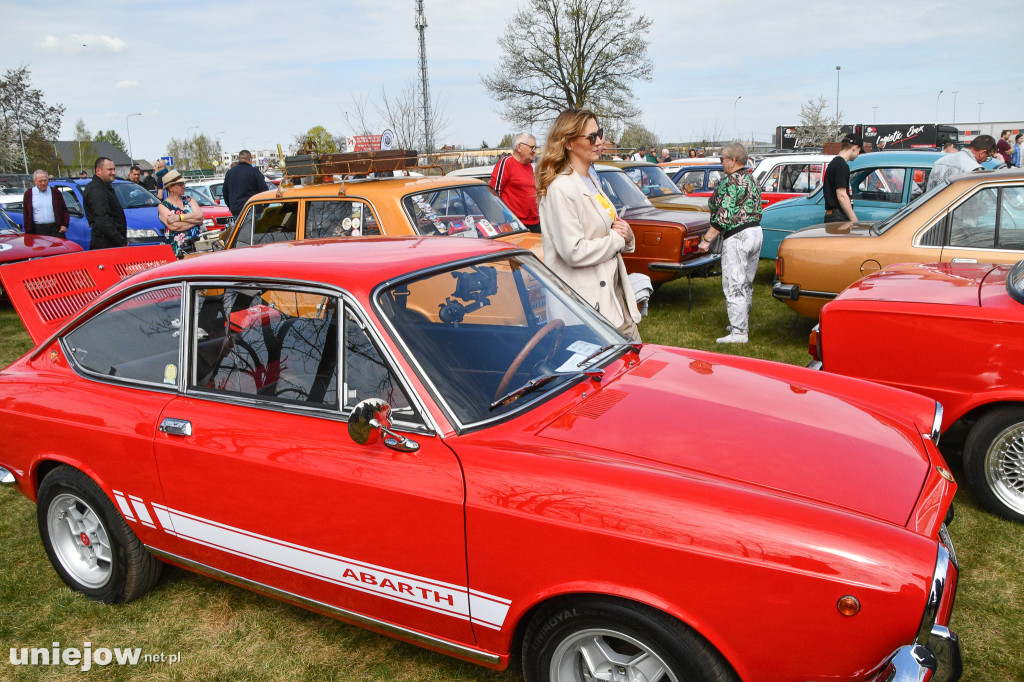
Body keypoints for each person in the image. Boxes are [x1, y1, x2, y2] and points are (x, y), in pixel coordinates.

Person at [537, 108, 641, 342]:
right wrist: (617, 239)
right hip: (588, 309)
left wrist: (626, 235)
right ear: (569, 143)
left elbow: (608, 229)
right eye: (591, 137)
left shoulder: (591, 179)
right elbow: (573, 251)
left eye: (599, 133)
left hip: (613, 298)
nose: (599, 142)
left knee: (635, 357)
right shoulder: (562, 188)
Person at [697, 142, 763, 344]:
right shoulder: (751, 178)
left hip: (738, 235)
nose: (721, 162)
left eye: (722, 159)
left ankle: (739, 332)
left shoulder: (731, 181)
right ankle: (742, 322)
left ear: (733, 160)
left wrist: (707, 240)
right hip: (755, 232)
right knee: (746, 281)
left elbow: (723, 216)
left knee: (733, 283)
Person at [489, 133, 540, 233]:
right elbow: (493, 194)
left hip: (534, 222)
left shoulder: (529, 166)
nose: (535, 151)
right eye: (532, 148)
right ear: (519, 147)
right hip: (515, 225)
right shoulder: (507, 163)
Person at [157, 169, 206, 257]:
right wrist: (196, 222)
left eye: (183, 183)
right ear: (170, 188)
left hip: (197, 245)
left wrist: (179, 218)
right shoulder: (163, 206)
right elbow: (174, 226)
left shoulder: (189, 200)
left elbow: (200, 216)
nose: (183, 186)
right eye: (180, 184)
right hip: (177, 249)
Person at [82, 157, 128, 249]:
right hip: (105, 243)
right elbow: (102, 219)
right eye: (109, 169)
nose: (113, 173)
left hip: (111, 242)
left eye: (114, 169)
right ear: (98, 170)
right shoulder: (96, 190)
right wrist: (120, 240)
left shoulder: (104, 187)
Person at [925, 135, 998, 191]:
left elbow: (929, 194)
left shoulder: (939, 162)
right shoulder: (974, 169)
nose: (985, 161)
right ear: (982, 153)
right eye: (987, 157)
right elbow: (974, 202)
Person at [822, 133, 864, 223]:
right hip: (838, 216)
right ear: (855, 148)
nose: (858, 154)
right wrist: (854, 220)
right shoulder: (841, 165)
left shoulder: (835, 163)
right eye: (859, 151)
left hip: (834, 215)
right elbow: (841, 195)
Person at [22, 170, 69, 238]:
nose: (43, 183)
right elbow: (26, 214)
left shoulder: (56, 193)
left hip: (55, 230)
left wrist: (65, 225)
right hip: (37, 230)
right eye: (40, 181)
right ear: (34, 181)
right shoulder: (29, 194)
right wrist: (28, 231)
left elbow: (64, 210)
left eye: (45, 180)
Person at [223, 149, 269, 217]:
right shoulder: (254, 172)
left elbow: (225, 193)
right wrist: (264, 206)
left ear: (239, 159)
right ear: (250, 159)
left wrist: (231, 207)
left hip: (236, 210)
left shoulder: (229, 173)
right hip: (253, 209)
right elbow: (264, 190)